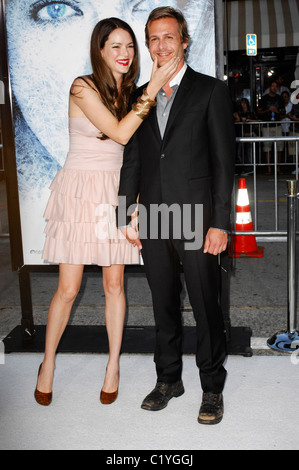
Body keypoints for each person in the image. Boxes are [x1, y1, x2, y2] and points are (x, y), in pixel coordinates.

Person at [34, 17, 179, 407]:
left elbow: (136, 151)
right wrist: (150, 89)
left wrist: (135, 202)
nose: (125, 53)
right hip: (81, 191)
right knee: (68, 288)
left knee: (115, 285)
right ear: (100, 50)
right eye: (115, 46)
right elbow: (119, 133)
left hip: (115, 191)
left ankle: (112, 365)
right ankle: (47, 363)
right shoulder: (82, 87)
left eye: (130, 46)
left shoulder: (133, 93)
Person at [118, 7, 235, 425]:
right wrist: (122, 215)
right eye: (153, 39)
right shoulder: (140, 97)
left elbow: (224, 163)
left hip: (198, 218)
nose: (161, 46)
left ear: (185, 41)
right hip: (152, 218)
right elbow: (131, 158)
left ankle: (211, 387)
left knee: (206, 306)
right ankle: (168, 379)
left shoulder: (209, 91)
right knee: (162, 304)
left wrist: (221, 222)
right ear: (148, 45)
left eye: (169, 37)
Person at [257, 80, 285, 175]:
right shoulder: (264, 98)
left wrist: (277, 111)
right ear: (269, 87)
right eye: (272, 86)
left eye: (275, 86)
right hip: (267, 125)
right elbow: (259, 112)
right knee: (267, 147)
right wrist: (268, 110)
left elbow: (283, 111)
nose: (274, 88)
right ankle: (269, 168)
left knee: (279, 147)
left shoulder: (280, 98)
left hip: (277, 125)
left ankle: (278, 167)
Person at [235, 98, 258, 175]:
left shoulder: (251, 112)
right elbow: (237, 120)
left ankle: (249, 168)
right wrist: (240, 119)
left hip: (249, 134)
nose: (243, 104)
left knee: (248, 153)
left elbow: (257, 120)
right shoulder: (239, 112)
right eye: (242, 103)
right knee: (239, 153)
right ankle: (242, 168)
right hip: (241, 134)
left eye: (244, 103)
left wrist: (248, 120)